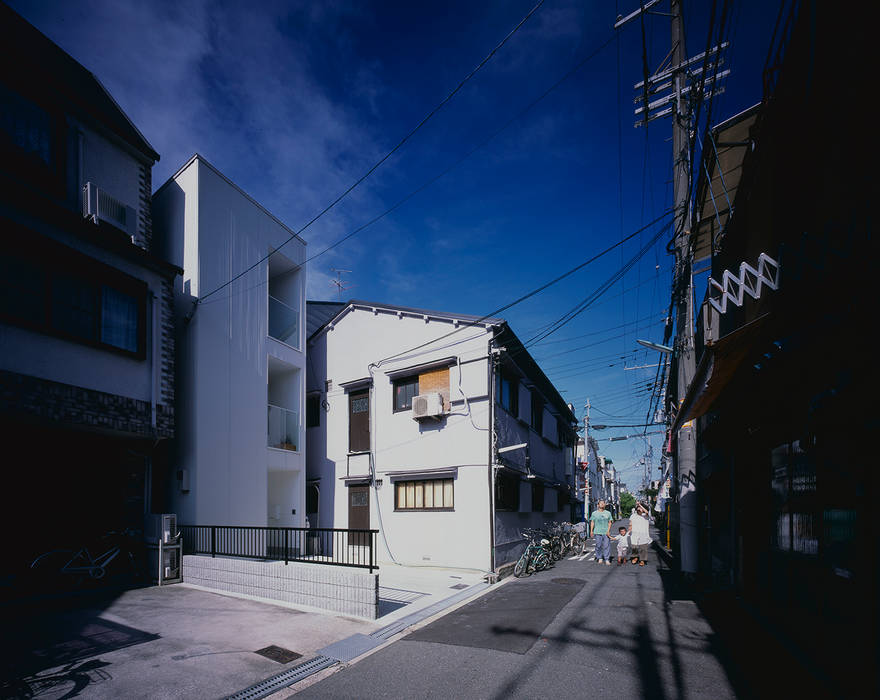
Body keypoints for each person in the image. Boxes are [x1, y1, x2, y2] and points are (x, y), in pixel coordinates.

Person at [589, 499, 613, 565]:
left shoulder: (608, 513)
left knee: (606, 545)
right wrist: (591, 531)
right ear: (598, 505)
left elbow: (610, 522)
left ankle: (607, 559)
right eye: (600, 503)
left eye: (603, 503)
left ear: (605, 505)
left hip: (606, 532)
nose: (602, 504)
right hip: (597, 531)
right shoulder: (594, 513)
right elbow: (592, 522)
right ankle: (599, 557)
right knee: (598, 545)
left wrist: (608, 530)